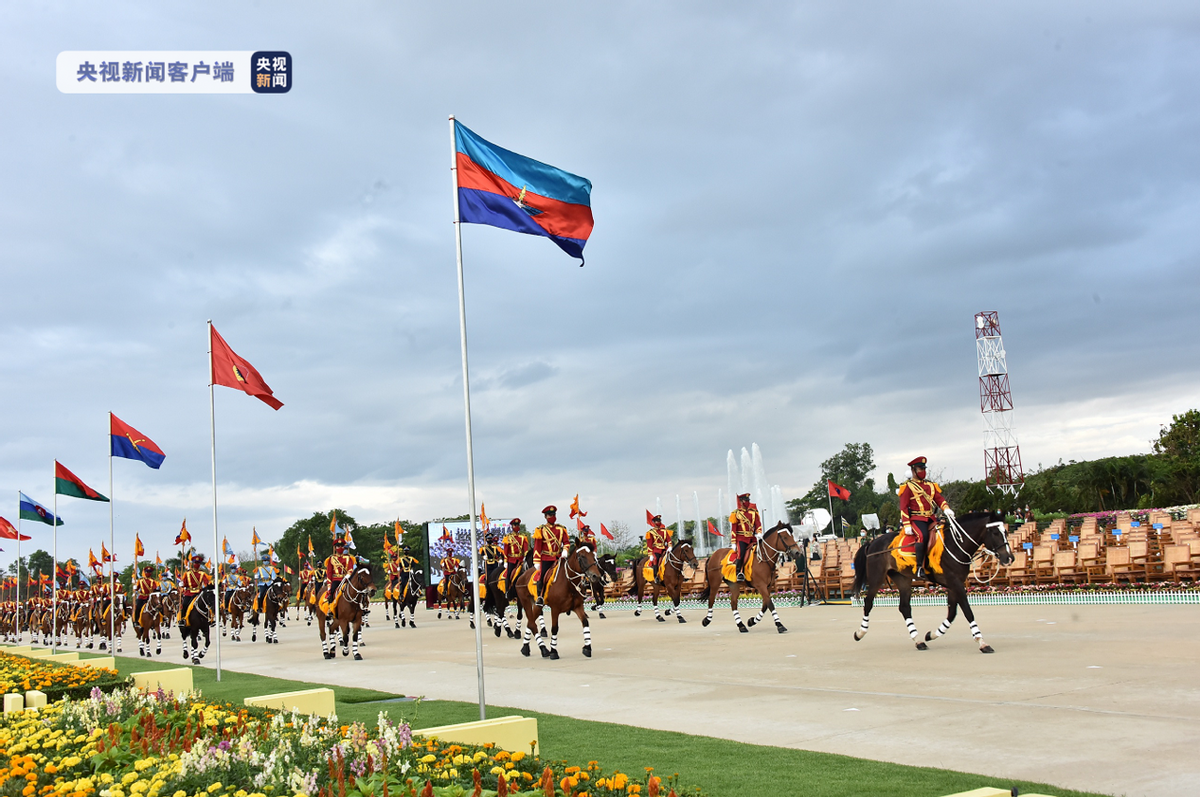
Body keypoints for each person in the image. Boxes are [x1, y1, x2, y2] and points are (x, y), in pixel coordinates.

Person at [898, 456, 953, 579]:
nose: (923, 471)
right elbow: (904, 507)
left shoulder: (931, 485)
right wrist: (906, 524)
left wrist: (946, 508)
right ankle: (919, 568)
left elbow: (939, 499)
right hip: (917, 520)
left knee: (945, 533)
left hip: (931, 519)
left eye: (924, 468)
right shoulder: (908, 487)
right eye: (920, 469)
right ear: (913, 470)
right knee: (922, 536)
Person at [531, 505, 569, 608]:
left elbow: (566, 542)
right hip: (546, 558)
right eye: (550, 515)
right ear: (545, 517)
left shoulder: (561, 529)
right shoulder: (540, 530)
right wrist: (537, 561)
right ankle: (540, 597)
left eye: (554, 515)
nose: (552, 517)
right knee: (543, 576)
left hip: (559, 558)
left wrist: (565, 551)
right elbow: (537, 547)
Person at [729, 492, 763, 582]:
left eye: (748, 500)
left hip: (752, 538)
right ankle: (739, 573)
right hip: (741, 538)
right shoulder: (736, 513)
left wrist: (759, 532)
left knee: (763, 550)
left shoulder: (753, 512)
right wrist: (733, 542)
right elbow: (734, 529)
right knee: (741, 553)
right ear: (741, 501)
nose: (747, 502)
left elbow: (758, 524)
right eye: (745, 500)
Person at [322, 534, 358, 607]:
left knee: (357, 590)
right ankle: (330, 608)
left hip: (346, 579)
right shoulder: (331, 559)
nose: (340, 548)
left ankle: (361, 607)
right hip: (336, 579)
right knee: (332, 591)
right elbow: (329, 573)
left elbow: (350, 568)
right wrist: (329, 584)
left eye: (342, 546)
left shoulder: (349, 558)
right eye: (338, 546)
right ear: (335, 548)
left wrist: (348, 574)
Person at [179, 552, 213, 622]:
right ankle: (183, 620)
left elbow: (206, 582)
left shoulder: (202, 573)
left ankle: (210, 618)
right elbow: (184, 584)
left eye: (198, 563)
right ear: (192, 564)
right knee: (184, 604)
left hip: (199, 593)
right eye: (195, 563)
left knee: (208, 604)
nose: (196, 565)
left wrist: (209, 585)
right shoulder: (187, 573)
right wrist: (181, 585)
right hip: (189, 593)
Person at [501, 519, 530, 597]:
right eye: (515, 525)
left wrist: (525, 557)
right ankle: (507, 591)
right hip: (512, 560)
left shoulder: (523, 537)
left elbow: (526, 549)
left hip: (521, 560)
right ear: (512, 526)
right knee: (509, 574)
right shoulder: (508, 537)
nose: (517, 527)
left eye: (518, 525)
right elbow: (506, 551)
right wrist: (505, 561)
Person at [644, 515, 673, 585]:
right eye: (657, 521)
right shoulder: (650, 532)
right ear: (654, 522)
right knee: (656, 560)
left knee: (674, 557)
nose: (658, 522)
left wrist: (670, 546)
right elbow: (649, 544)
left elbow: (668, 540)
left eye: (659, 521)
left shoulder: (665, 531)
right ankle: (655, 576)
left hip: (665, 549)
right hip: (656, 550)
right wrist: (650, 554)